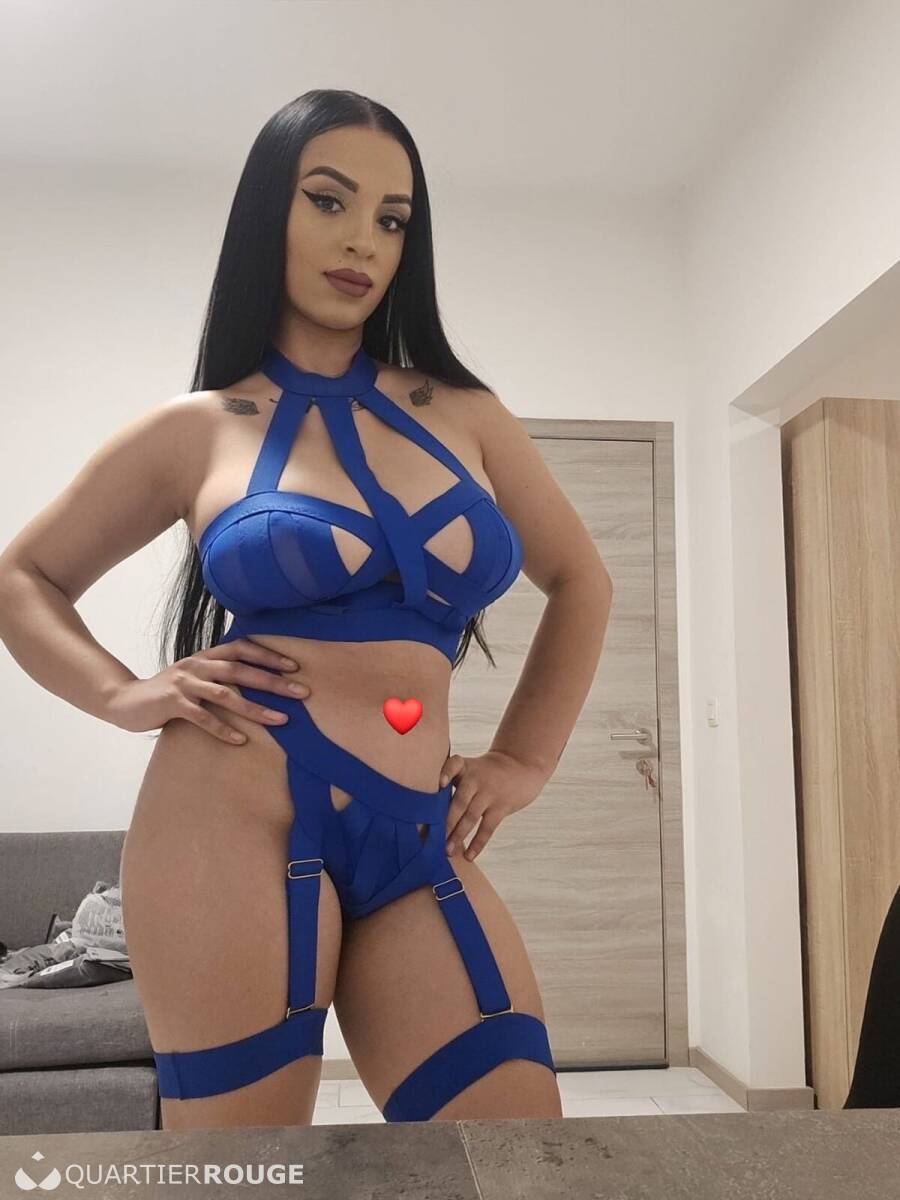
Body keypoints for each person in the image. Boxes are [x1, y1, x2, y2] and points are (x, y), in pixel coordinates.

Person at [0, 89, 614, 1131]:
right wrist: (121, 694)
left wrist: (525, 759)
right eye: (328, 200)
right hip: (226, 823)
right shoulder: (199, 428)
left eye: (391, 218)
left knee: (518, 1157)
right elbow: (24, 577)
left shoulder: (466, 414)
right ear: (267, 214)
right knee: (238, 1179)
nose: (362, 239)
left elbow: (582, 581)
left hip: (417, 835)